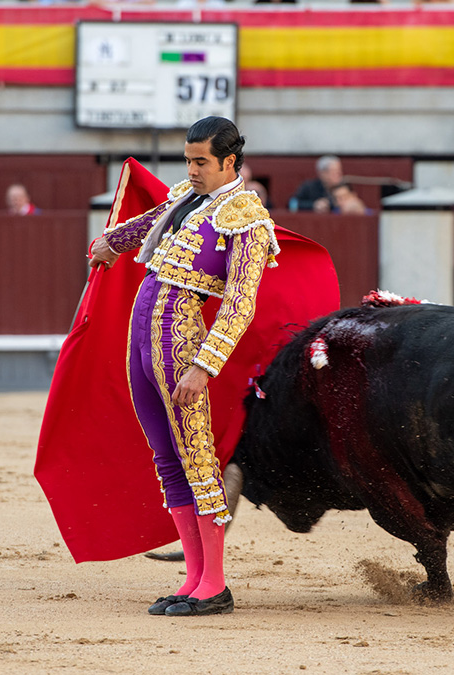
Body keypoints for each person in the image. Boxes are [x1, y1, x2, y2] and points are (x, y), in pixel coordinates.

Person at [88, 116, 279, 617]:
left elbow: (240, 304)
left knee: (196, 457)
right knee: (168, 459)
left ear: (229, 162)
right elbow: (148, 222)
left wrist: (204, 367)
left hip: (181, 344)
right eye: (188, 160)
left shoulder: (248, 217)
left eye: (201, 162)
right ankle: (194, 578)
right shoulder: (188, 197)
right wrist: (112, 243)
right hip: (142, 341)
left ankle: (214, 584)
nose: (192, 170)